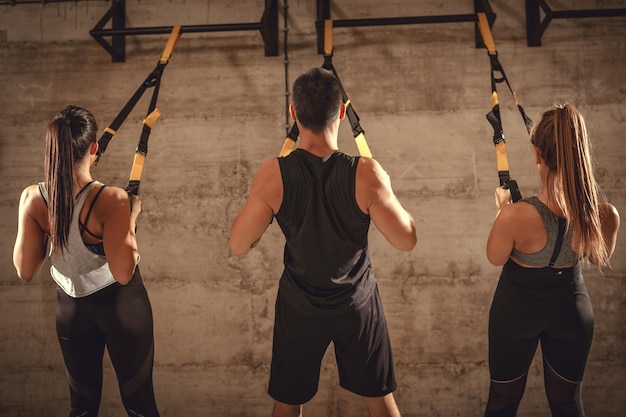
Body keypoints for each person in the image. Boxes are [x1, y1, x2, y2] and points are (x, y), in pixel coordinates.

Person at [229, 67, 416, 417]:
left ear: (293, 113)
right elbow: (406, 240)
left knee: (287, 404)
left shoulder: (273, 173)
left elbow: (238, 245)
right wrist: (386, 187)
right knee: (380, 401)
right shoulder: (367, 173)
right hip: (356, 304)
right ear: (342, 111)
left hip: (300, 306)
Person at [13, 105, 160, 417]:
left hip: (71, 311)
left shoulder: (33, 199)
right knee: (141, 408)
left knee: (81, 409)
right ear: (94, 148)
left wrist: (52, 226)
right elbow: (123, 272)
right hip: (122, 306)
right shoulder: (111, 200)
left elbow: (25, 270)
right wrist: (131, 217)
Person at [484, 102, 620, 417]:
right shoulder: (605, 215)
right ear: (582, 154)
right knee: (566, 403)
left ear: (538, 156)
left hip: (515, 311)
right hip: (571, 312)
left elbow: (495, 257)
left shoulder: (514, 216)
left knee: (503, 403)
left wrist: (503, 209)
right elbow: (600, 256)